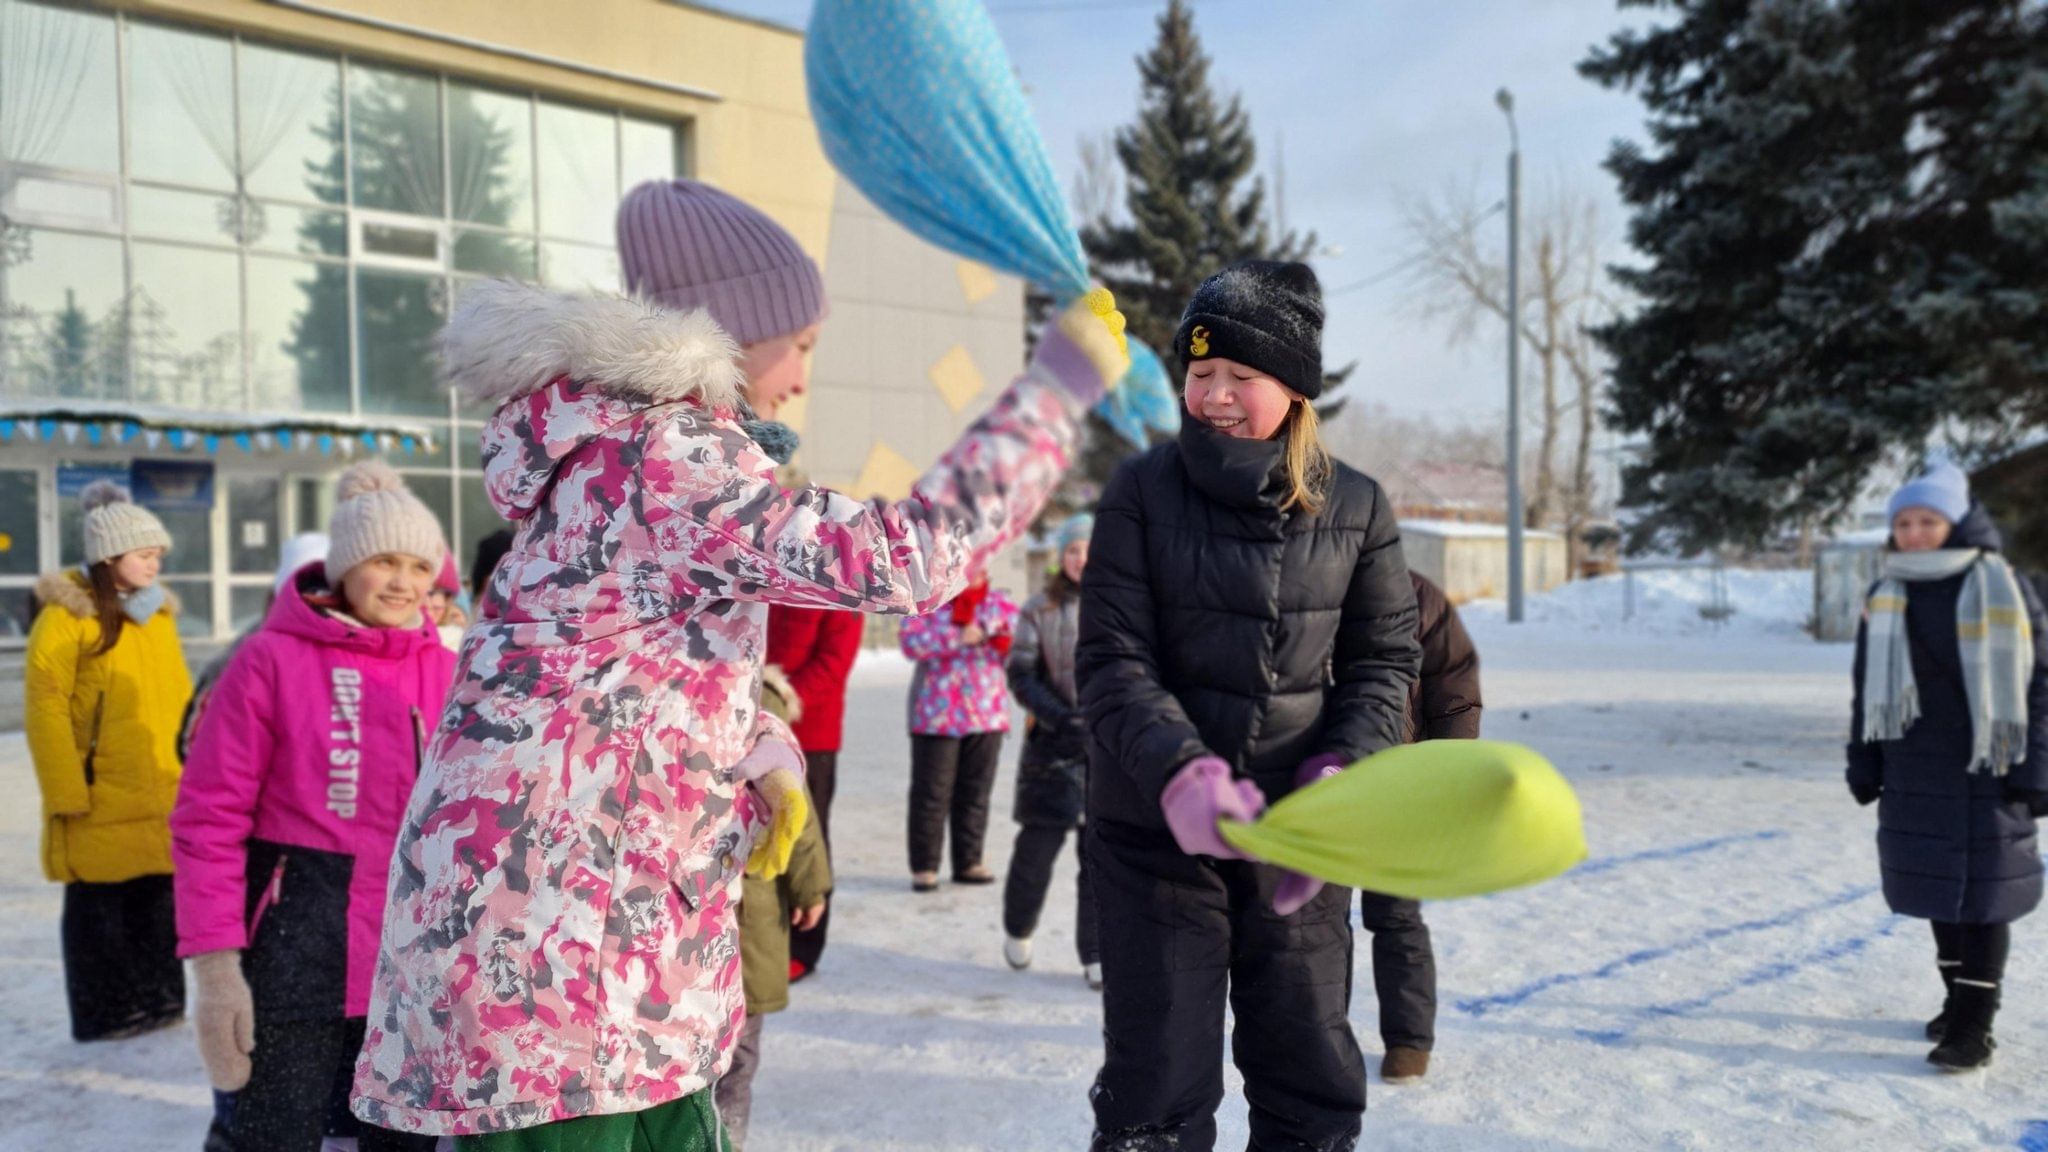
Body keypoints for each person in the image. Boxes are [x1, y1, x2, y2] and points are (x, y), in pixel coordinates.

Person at [350, 178, 1127, 1148]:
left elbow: (604, 671)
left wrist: (755, 742)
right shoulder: (664, 458)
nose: (803, 374)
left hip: (600, 938)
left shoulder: (620, 458)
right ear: (721, 332)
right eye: (797, 342)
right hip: (555, 959)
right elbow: (906, 555)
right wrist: (1054, 391)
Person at [1077, 260, 1421, 1151]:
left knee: (1310, 1085)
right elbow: (1112, 659)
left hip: (1299, 842)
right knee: (1155, 1094)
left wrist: (1339, 775)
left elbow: (1386, 662)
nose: (1216, 396)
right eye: (1200, 376)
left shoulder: (1357, 505)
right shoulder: (1141, 494)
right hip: (1157, 845)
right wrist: (1182, 771)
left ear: (1295, 389)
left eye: (1241, 377)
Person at [171, 461, 455, 1152]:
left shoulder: (448, 669)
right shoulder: (270, 661)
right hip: (296, 948)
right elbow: (208, 822)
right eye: (384, 561)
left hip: (409, 957)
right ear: (345, 565)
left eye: (420, 566)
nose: (403, 583)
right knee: (275, 1137)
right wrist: (214, 971)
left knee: (406, 1143)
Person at [1847, 463, 2047, 1072]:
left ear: (1957, 522)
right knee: (1938, 889)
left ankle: (1973, 1025)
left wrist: (2036, 767)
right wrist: (1864, 759)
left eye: (1928, 520)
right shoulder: (1886, 593)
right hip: (1916, 769)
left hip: (1991, 763)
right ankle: (1955, 999)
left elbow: (2042, 684)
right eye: (1904, 522)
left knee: (1984, 895)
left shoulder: (2004, 585)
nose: (1915, 532)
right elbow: (1866, 690)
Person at [26, 480, 192, 1042]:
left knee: (158, 900)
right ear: (108, 556)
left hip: (161, 785)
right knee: (101, 908)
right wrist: (65, 789)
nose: (154, 562)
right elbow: (45, 709)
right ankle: (107, 1013)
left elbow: (177, 701)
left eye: (157, 554)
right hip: (99, 792)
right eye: (144, 553)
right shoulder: (67, 618)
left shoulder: (158, 615)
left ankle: (161, 1001)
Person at [1359, 571, 1482, 1086]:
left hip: (1400, 782)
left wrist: (1442, 774)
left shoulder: (1416, 594)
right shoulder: (1303, 575)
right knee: (1310, 927)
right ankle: (1316, 1035)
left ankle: (1408, 1039)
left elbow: (1454, 686)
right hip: (1317, 779)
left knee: (1396, 913)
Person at [716, 666, 831, 1150]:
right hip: (754, 909)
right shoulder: (762, 702)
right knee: (738, 1061)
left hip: (700, 907)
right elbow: (797, 815)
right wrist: (811, 888)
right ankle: (730, 1139)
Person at [1001, 513, 1100, 987]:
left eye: (1089, 549)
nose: (1082, 558)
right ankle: (1019, 927)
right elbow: (1021, 673)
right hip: (1052, 748)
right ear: (1063, 557)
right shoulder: (1039, 608)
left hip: (1107, 750)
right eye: (1074, 550)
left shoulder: (1123, 604)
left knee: (1099, 859)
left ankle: (1095, 953)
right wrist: (1062, 717)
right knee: (1036, 851)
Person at [901, 571, 1018, 891]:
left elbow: (1023, 645)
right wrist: (956, 638)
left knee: (975, 794)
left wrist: (1002, 641)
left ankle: (969, 861)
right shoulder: (930, 603)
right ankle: (925, 866)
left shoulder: (1000, 604)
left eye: (981, 562)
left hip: (986, 716)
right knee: (931, 795)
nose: (974, 570)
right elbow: (911, 643)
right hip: (937, 717)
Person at [766, 602, 863, 980]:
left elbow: (833, 663)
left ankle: (803, 946)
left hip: (810, 735)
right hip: (752, 729)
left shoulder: (837, 590)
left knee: (807, 840)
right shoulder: (766, 579)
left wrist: (778, 704)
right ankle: (763, 940)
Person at [179, 532, 331, 762]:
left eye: (325, 593)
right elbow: (196, 743)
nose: (317, 602)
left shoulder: (354, 647)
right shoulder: (251, 649)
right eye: (308, 591)